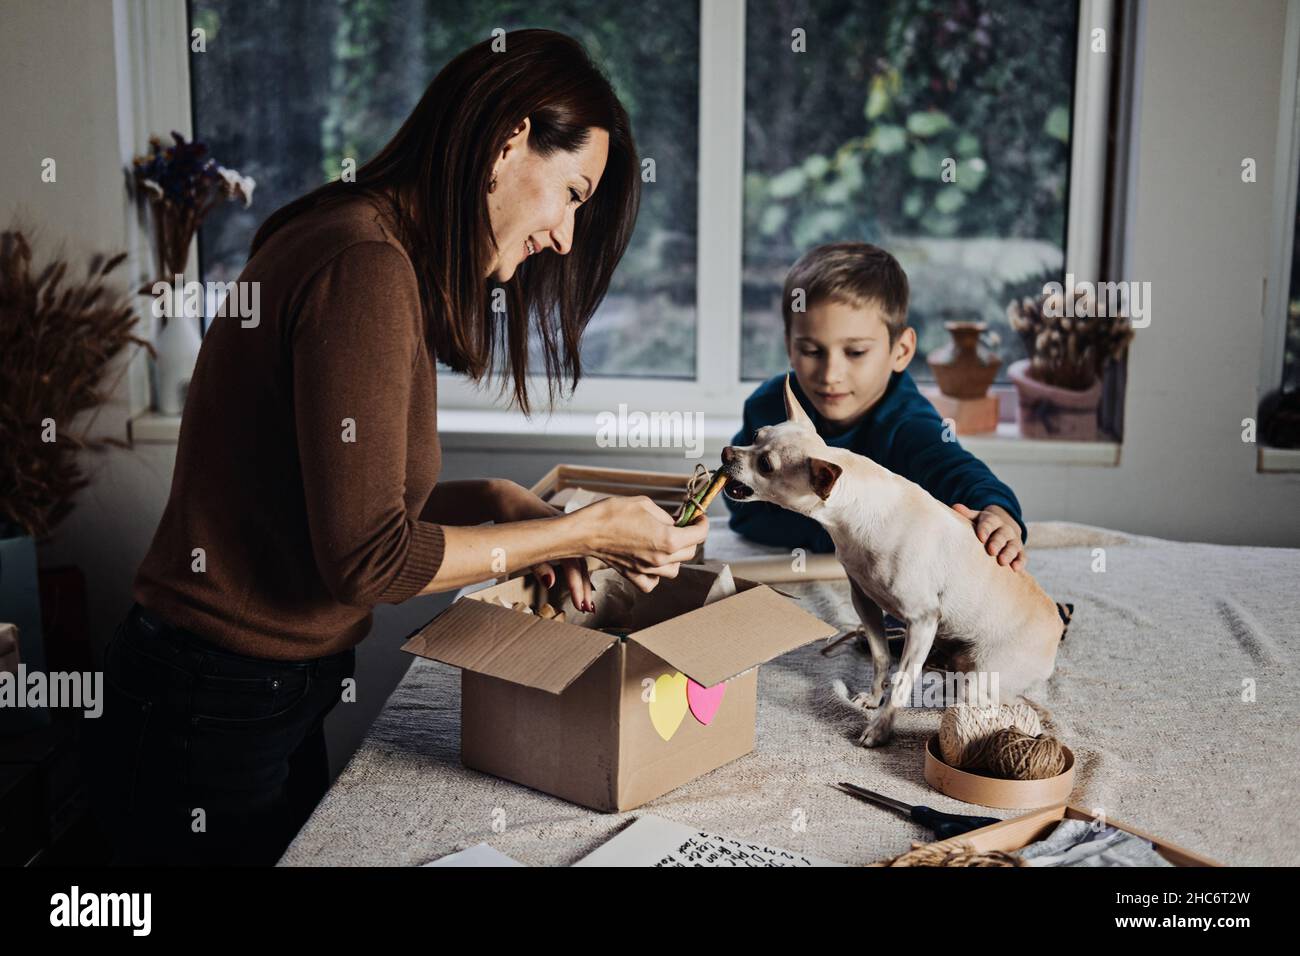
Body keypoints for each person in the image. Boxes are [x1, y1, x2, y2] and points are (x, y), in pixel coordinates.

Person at [81, 29, 707, 867]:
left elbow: (334, 500)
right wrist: (582, 532)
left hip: (239, 687)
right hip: (215, 698)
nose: (563, 234)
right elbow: (369, 561)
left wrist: (491, 502)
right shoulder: (365, 267)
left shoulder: (356, 238)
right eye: (571, 192)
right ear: (508, 139)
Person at [725, 242, 1028, 572]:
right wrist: (834, 533)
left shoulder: (909, 424)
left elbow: (963, 475)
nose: (830, 375)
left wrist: (998, 514)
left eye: (855, 353)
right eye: (812, 351)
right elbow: (744, 509)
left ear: (901, 350)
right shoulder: (768, 407)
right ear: (789, 345)